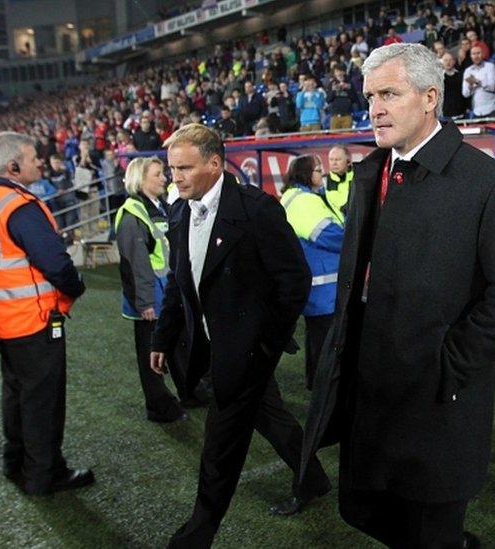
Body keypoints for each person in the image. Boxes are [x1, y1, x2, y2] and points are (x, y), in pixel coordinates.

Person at [302, 43, 495, 548]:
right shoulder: (370, 173)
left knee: (430, 529)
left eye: (389, 93)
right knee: (360, 509)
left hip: (437, 403)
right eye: (370, 96)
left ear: (431, 96)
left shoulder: (492, 184)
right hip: (370, 394)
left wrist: (448, 361)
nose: (375, 108)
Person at [149, 124, 330, 547]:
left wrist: (264, 346)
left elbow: (293, 282)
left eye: (185, 168)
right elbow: (179, 283)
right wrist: (162, 338)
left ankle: (196, 536)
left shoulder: (256, 210)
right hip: (213, 350)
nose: (175, 177)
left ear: (215, 164)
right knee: (273, 419)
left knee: (219, 447)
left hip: (245, 354)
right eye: (172, 168)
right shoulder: (179, 211)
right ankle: (314, 479)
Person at [0, 131, 93, 496]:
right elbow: (55, 261)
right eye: (33, 156)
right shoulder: (17, 204)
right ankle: (45, 474)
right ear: (14, 166)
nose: (40, 161)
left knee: (16, 391)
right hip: (30, 317)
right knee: (43, 399)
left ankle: (16, 461)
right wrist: (75, 286)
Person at [115, 157, 187, 422]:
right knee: (152, 358)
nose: (164, 178)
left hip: (166, 296)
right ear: (140, 179)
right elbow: (136, 265)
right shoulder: (133, 214)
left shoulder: (160, 207)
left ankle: (188, 393)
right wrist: (145, 303)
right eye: (158, 174)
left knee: (177, 347)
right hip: (151, 301)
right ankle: (159, 407)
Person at [280, 155, 345, 390]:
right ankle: (323, 386)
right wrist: (355, 238)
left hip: (317, 285)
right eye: (318, 170)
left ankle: (316, 382)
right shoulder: (303, 200)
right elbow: (329, 235)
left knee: (317, 339)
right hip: (323, 287)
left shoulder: (296, 197)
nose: (322, 173)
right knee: (325, 341)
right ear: (305, 174)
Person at [462, 45, 495, 118]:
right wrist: (470, 86)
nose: (476, 56)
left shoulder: (490, 67)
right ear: (471, 56)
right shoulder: (468, 71)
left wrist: (478, 82)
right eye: (474, 54)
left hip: (492, 108)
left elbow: (493, 87)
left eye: (478, 53)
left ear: (483, 54)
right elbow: (465, 94)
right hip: (477, 111)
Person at [326, 144, 353, 215]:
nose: (334, 163)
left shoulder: (357, 178)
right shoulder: (323, 182)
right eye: (331, 159)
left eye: (338, 159)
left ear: (348, 161)